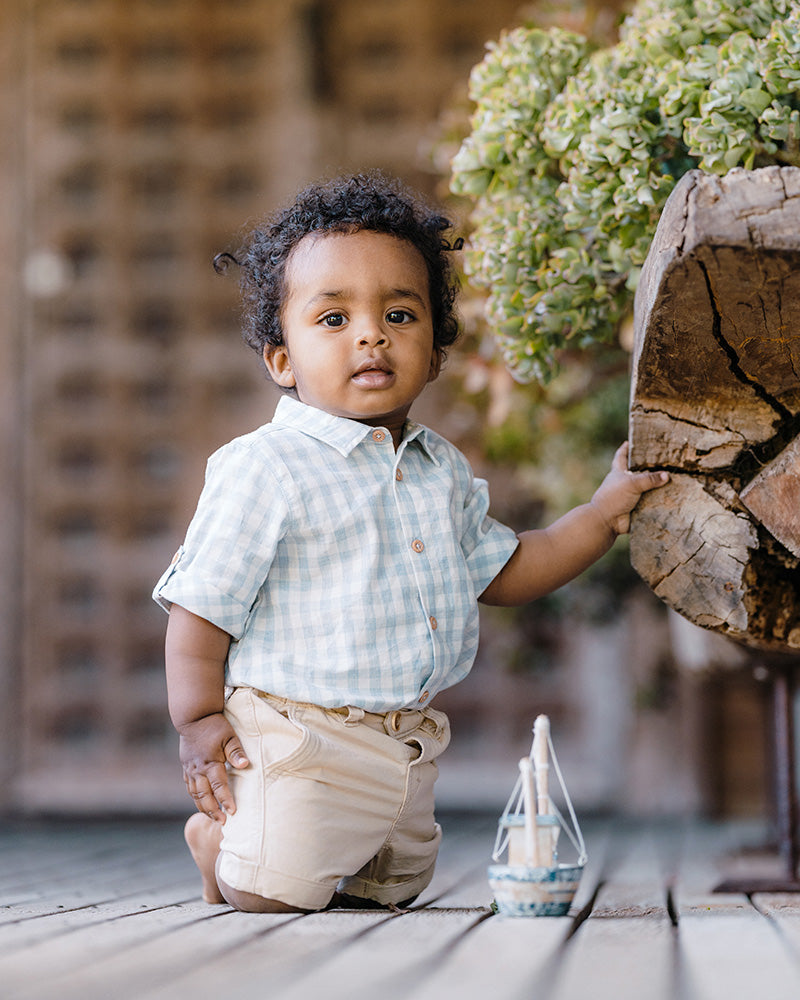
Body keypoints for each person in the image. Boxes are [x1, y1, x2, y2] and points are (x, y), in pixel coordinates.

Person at [153, 172, 668, 914]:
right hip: (296, 735)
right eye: (333, 319)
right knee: (274, 891)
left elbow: (511, 566)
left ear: (434, 355)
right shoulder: (265, 468)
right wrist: (198, 720)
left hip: (408, 743)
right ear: (281, 360)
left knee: (394, 889)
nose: (371, 334)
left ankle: (327, 845)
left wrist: (603, 511)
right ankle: (221, 849)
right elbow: (201, 608)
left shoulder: (438, 470)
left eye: (400, 313)